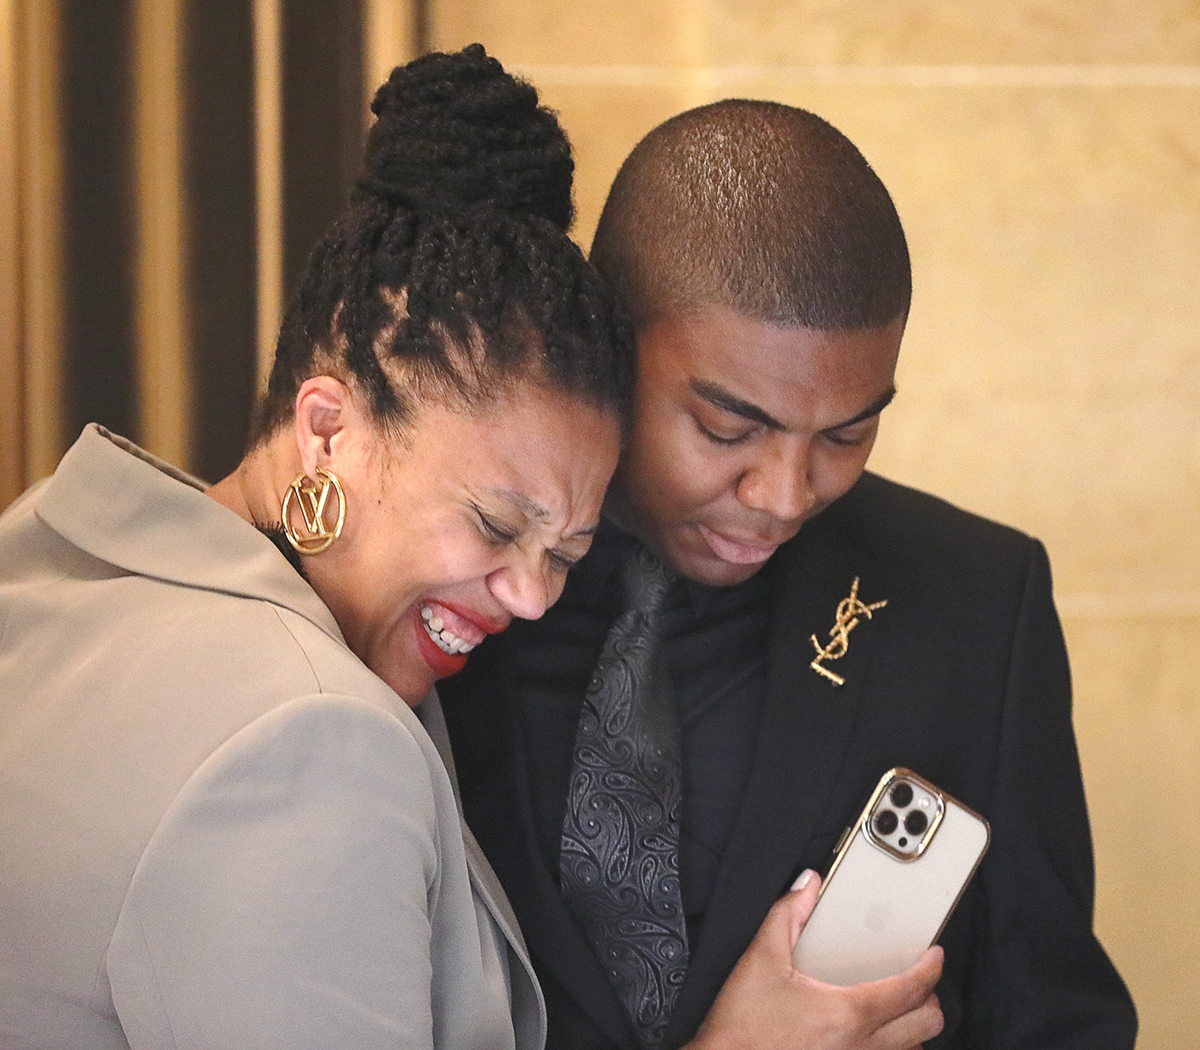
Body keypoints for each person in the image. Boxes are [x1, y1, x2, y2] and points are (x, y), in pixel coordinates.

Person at [440, 99, 1139, 1048]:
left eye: (848, 434)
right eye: (730, 429)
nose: (784, 495)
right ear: (611, 341)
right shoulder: (444, 587)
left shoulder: (976, 605)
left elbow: (1057, 1025)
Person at [0, 45, 633, 1049]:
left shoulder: (51, 564)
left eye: (568, 552)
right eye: (497, 525)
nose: (532, 596)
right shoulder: (312, 742)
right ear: (329, 428)